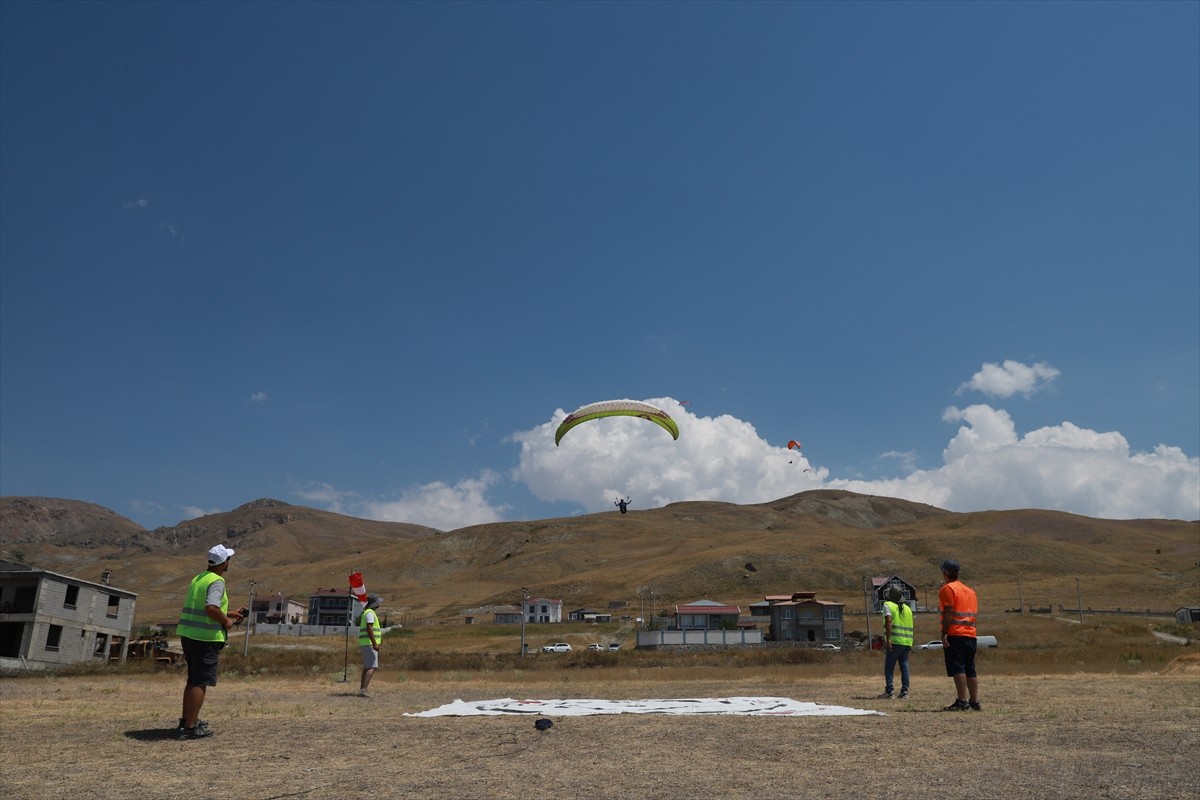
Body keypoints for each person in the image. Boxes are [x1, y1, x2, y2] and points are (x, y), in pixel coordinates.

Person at [176, 544, 247, 739]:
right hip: (205, 639)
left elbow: (203, 607)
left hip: (189, 635)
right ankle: (191, 727)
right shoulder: (217, 581)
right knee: (201, 682)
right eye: (228, 559)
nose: (229, 562)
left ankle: (186, 720)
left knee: (192, 681)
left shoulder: (199, 578)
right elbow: (211, 608)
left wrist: (231, 612)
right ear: (223, 562)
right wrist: (227, 621)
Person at [938, 559, 981, 711]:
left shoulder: (948, 589)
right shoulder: (970, 591)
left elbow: (949, 611)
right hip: (971, 634)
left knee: (958, 668)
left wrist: (944, 632)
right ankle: (974, 701)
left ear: (945, 573)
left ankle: (962, 701)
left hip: (955, 634)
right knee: (970, 668)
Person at [877, 586, 913, 699]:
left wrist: (888, 639)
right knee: (904, 666)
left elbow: (888, 620)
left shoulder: (887, 605)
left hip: (895, 640)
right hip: (907, 641)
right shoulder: (907, 608)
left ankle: (889, 691)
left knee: (889, 666)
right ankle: (905, 691)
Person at [358, 594, 383, 697]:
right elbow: (369, 628)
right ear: (375, 604)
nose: (379, 604)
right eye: (378, 602)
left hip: (365, 643)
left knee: (367, 666)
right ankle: (363, 690)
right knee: (372, 666)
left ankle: (362, 690)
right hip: (369, 643)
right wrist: (375, 643)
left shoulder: (367, 612)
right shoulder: (370, 613)